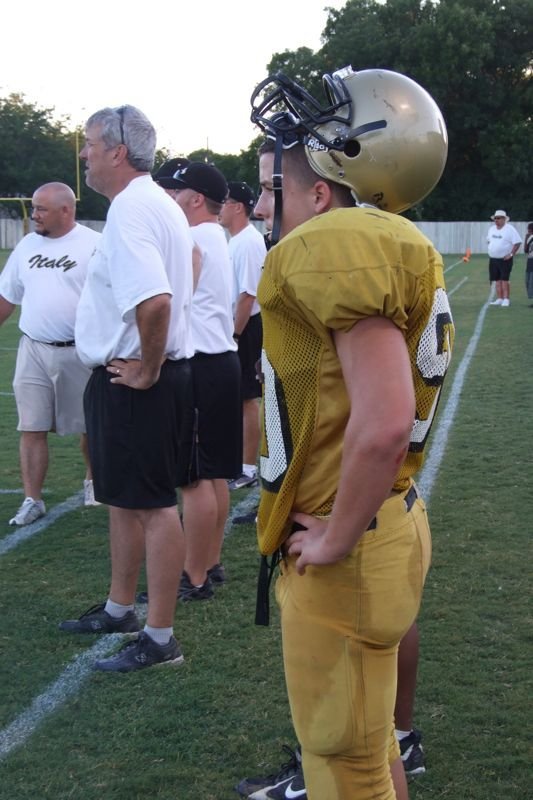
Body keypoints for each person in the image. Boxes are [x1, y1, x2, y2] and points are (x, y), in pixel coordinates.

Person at [242, 66, 453, 800]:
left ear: (321, 190)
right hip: (387, 519)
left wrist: (331, 540)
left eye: (274, 188)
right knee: (368, 746)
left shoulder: (333, 244)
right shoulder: (386, 240)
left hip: (349, 540)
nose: (262, 202)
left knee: (341, 765)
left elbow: (385, 418)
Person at [59, 105, 196, 673]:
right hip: (127, 376)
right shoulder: (148, 204)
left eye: (89, 144)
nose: (84, 154)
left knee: (155, 506)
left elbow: (156, 300)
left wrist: (147, 367)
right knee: (124, 499)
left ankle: (160, 637)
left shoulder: (133, 210)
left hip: (138, 380)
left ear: (118, 150)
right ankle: (121, 608)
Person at [0, 181, 101, 526]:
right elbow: (6, 296)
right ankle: (33, 499)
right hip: (33, 347)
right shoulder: (27, 245)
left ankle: (93, 481)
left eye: (42, 208)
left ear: (66, 210)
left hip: (81, 351)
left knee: (91, 425)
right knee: (31, 426)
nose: (35, 214)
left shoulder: (94, 244)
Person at [172, 161, 242, 599]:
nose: (170, 200)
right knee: (213, 475)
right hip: (222, 362)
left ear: (196, 198)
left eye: (176, 193)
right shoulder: (219, 235)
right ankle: (209, 563)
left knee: (194, 478)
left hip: (199, 363)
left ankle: (192, 576)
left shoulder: (193, 238)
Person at [219, 180, 266, 490]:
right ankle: (239, 462)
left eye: (223, 202)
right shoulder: (236, 240)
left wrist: (233, 335)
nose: (219, 208)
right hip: (238, 326)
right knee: (238, 398)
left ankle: (247, 468)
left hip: (245, 327)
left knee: (248, 398)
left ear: (237, 206)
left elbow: (248, 295)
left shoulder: (247, 241)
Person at [487, 209, 522, 306]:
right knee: (497, 279)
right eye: (495, 218)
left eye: (498, 218)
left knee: (504, 279)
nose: (496, 220)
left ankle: (506, 299)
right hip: (493, 258)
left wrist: (511, 254)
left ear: (504, 219)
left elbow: (517, 242)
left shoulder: (510, 229)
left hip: (505, 259)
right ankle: (499, 298)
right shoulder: (492, 229)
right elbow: (489, 240)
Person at [524, 222, 533, 306]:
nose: (528, 231)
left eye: (529, 229)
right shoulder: (530, 238)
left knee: (532, 282)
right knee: (528, 281)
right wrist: (526, 238)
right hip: (530, 261)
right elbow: (526, 250)